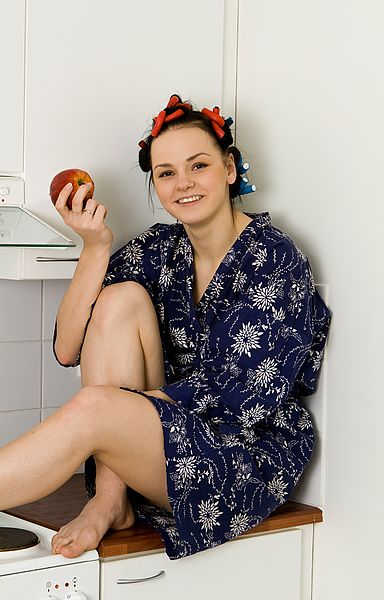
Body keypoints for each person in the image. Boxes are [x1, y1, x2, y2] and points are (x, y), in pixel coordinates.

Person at [0, 94, 331, 561]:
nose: (183, 184)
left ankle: (109, 490)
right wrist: (94, 246)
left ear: (231, 169)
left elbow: (241, 398)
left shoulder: (274, 259)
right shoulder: (159, 249)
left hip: (240, 456)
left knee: (97, 407)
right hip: (155, 446)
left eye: (199, 166)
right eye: (167, 173)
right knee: (119, 299)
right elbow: (67, 348)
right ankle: (111, 500)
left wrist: (106, 413)